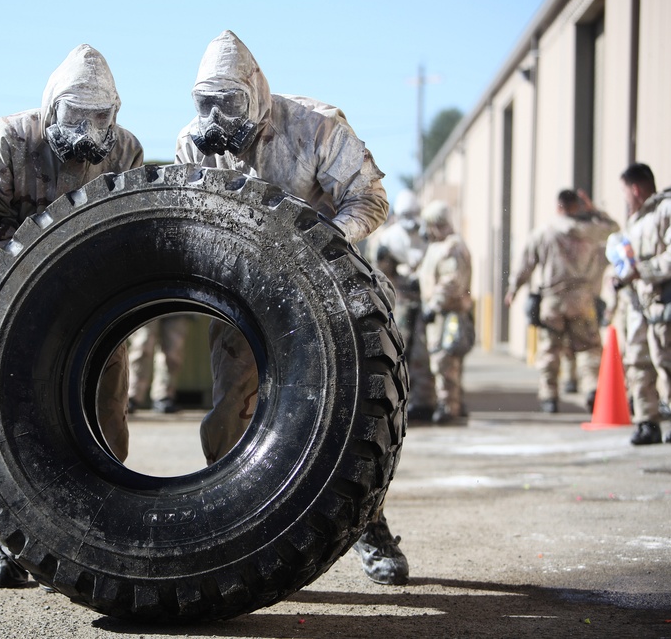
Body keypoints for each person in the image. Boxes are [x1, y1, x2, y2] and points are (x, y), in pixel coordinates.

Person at [174, 30, 407, 586]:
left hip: (328, 291)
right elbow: (185, 215)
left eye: (228, 103)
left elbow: (372, 200)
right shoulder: (196, 142)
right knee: (230, 409)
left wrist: (318, 242)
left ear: (255, 92)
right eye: (206, 103)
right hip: (246, 292)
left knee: (346, 421)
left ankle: (367, 525)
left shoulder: (316, 125)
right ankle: (227, 525)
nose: (216, 116)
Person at [0, 44, 144, 586]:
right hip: (14, 303)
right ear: (51, 107)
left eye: (99, 117)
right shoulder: (7, 141)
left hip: (96, 302)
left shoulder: (125, 149)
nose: (88, 129)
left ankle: (107, 528)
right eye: (76, 116)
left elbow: (132, 225)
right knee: (12, 425)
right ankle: (8, 543)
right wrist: (12, 298)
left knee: (107, 410)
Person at [504, 189, 618, 414]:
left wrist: (513, 289)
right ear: (577, 206)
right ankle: (592, 388)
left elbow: (526, 263)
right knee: (588, 348)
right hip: (582, 299)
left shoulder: (543, 232)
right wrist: (594, 209)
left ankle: (549, 395)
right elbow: (614, 229)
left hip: (552, 301)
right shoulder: (589, 231)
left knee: (550, 349)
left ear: (558, 207)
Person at [611, 163, 671, 445]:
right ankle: (647, 421)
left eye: (625, 192)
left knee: (667, 362)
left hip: (664, 304)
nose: (625, 199)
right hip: (639, 305)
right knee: (638, 362)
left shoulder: (666, 211)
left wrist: (642, 270)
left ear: (635, 188)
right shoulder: (635, 223)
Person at [367, 189, 437, 422]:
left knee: (424, 354)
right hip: (400, 304)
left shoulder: (426, 235)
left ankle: (425, 401)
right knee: (400, 351)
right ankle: (398, 402)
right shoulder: (387, 238)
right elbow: (378, 273)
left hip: (424, 301)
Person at [418, 200, 474, 424]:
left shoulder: (452, 247)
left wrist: (434, 305)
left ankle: (448, 406)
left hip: (448, 313)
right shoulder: (438, 246)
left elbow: (452, 282)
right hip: (440, 313)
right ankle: (453, 403)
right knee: (444, 359)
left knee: (445, 360)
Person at [127, 315, 191, 414]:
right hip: (144, 302)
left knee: (173, 350)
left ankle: (164, 396)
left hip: (177, 303)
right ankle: (132, 395)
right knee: (142, 345)